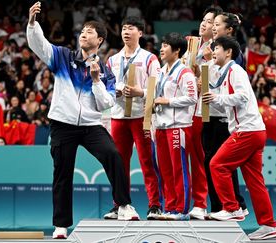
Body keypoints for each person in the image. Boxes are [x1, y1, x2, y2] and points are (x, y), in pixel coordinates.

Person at [27, 2, 139, 239]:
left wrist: (97, 80)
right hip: (62, 124)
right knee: (62, 174)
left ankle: (124, 205)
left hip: (90, 126)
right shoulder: (63, 57)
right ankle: (61, 226)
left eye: (89, 32)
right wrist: (32, 24)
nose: (83, 34)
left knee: (113, 155)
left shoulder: (106, 71)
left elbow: (105, 104)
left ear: (99, 41)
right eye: (82, 31)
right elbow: (40, 46)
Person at [202, 36, 276, 240]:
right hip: (253, 130)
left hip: (247, 131)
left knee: (217, 165)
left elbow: (243, 96)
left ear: (228, 52)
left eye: (216, 48)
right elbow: (224, 104)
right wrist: (210, 98)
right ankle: (269, 225)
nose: (213, 52)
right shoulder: (222, 73)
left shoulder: (235, 70)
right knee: (255, 182)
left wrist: (218, 97)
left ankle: (232, 208)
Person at [105, 16, 162, 220]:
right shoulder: (112, 60)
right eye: (124, 28)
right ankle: (120, 204)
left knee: (147, 161)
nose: (126, 32)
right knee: (119, 163)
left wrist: (140, 92)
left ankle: (154, 205)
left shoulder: (149, 58)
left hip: (141, 116)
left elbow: (157, 87)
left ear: (141, 32)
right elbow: (106, 86)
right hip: (118, 116)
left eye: (131, 28)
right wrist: (116, 92)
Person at [201, 11, 248, 218]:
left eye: (216, 24)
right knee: (212, 162)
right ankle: (221, 206)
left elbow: (231, 89)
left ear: (229, 30)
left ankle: (232, 205)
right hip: (209, 114)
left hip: (223, 116)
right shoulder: (213, 50)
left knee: (220, 163)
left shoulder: (232, 54)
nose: (212, 27)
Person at [153, 32, 197, 220]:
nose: (161, 49)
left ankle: (182, 210)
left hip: (179, 126)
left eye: (166, 45)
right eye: (161, 45)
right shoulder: (162, 71)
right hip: (161, 127)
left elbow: (192, 98)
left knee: (179, 168)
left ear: (177, 50)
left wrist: (168, 101)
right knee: (164, 170)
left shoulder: (185, 72)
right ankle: (169, 207)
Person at [188, 6, 223, 220]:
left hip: (206, 111)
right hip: (187, 109)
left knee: (203, 159)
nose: (204, 23)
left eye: (210, 21)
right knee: (192, 158)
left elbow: (218, 80)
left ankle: (203, 204)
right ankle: (194, 203)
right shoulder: (192, 46)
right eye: (203, 19)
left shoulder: (217, 50)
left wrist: (207, 66)